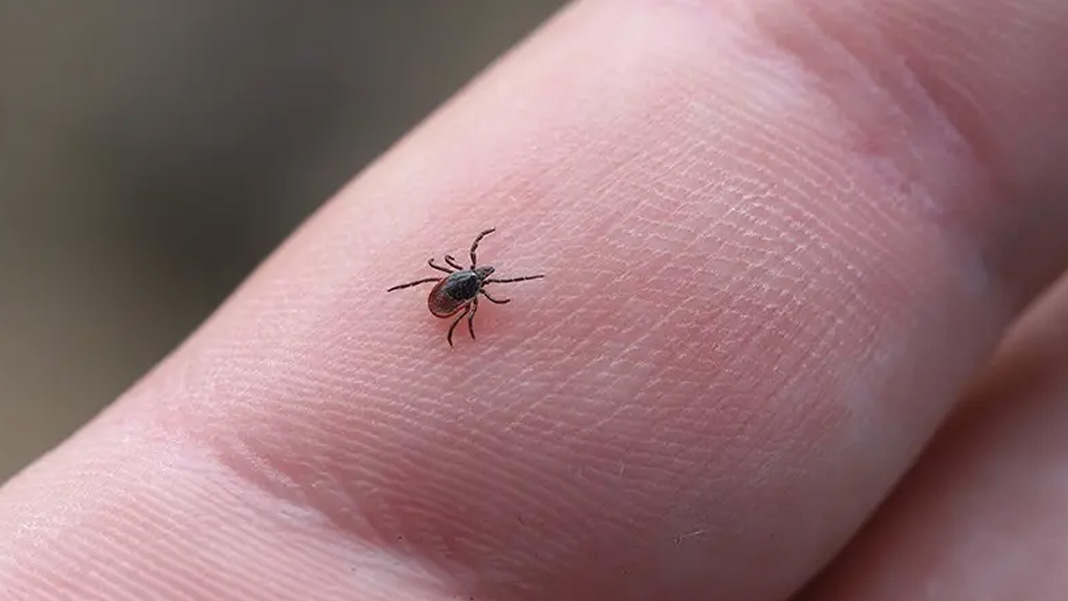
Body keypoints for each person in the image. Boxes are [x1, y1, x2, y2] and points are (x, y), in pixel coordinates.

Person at [3, 1, 1068, 599]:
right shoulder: (463, 291)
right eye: (468, 283)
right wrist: (454, 306)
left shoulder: (457, 286)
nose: (469, 287)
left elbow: (448, 283)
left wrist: (451, 299)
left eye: (468, 285)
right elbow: (453, 288)